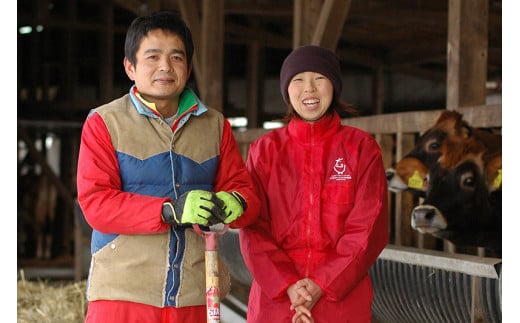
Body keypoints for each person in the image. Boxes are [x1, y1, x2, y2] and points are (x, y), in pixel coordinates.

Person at [76, 11, 260, 323]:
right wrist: (168, 210)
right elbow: (96, 204)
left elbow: (248, 196)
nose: (165, 66)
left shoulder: (215, 125)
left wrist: (236, 202)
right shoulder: (105, 123)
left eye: (176, 57)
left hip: (195, 292)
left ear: (188, 68)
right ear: (130, 67)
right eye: (153, 56)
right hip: (123, 294)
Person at [239, 45, 389, 323]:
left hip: (342, 292)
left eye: (319, 78)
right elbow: (253, 226)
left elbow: (368, 228)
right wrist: (289, 284)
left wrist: (323, 283)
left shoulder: (361, 148)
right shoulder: (266, 150)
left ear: (334, 85)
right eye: (298, 80)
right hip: (277, 294)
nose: (309, 89)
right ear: (286, 90)